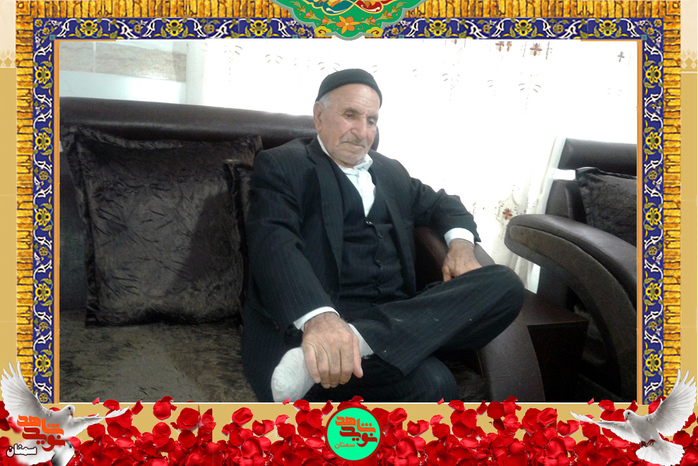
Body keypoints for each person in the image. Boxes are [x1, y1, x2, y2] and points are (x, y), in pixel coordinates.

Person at [242, 69, 524, 402]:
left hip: (392, 315)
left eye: (372, 120)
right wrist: (320, 319)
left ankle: (358, 342)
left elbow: (444, 204)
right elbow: (275, 245)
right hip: (318, 319)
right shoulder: (283, 165)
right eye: (350, 115)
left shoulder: (390, 171)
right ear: (318, 116)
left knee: (505, 284)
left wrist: (461, 248)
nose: (362, 132)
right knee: (435, 384)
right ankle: (336, 345)